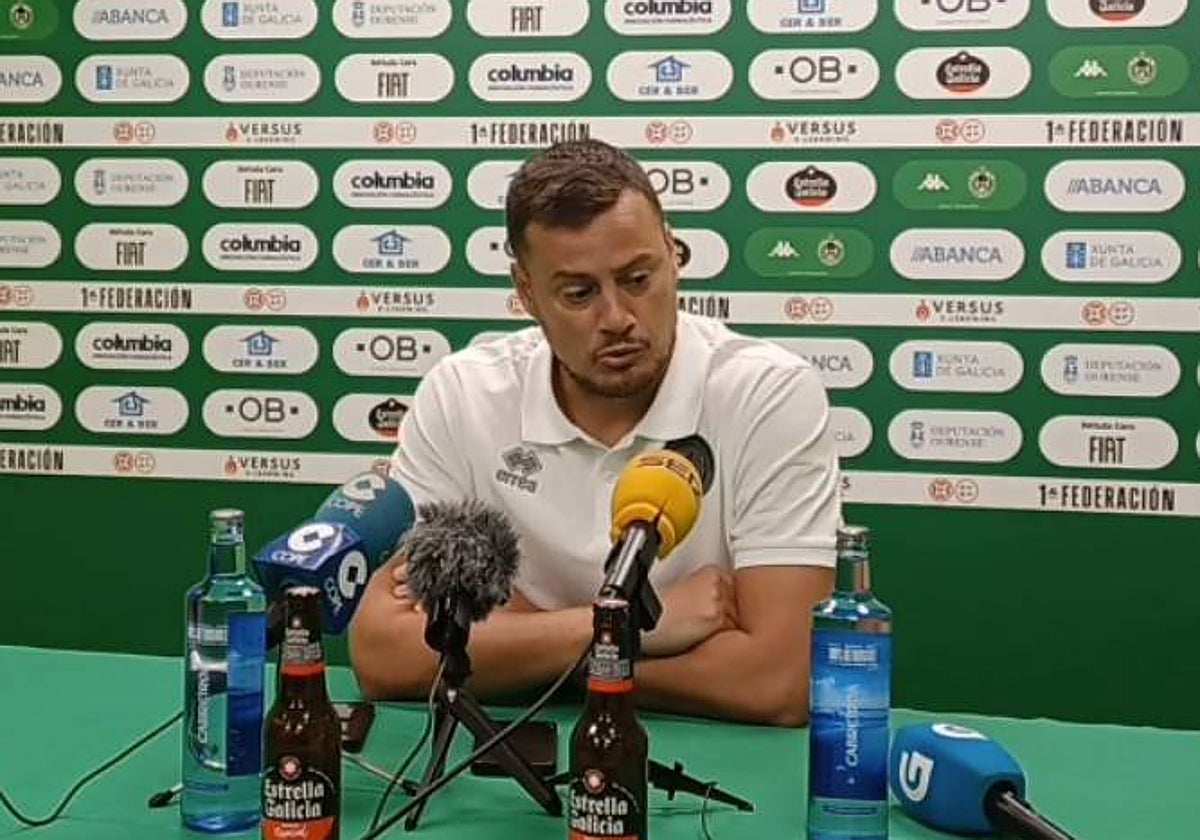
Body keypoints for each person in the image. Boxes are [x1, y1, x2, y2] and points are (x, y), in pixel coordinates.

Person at [349, 139, 840, 727]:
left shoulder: (768, 392)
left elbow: (778, 680)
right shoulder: (462, 395)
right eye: (579, 293)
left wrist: (521, 644)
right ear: (527, 292)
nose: (617, 318)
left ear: (673, 254)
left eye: (638, 278)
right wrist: (629, 626)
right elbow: (384, 654)